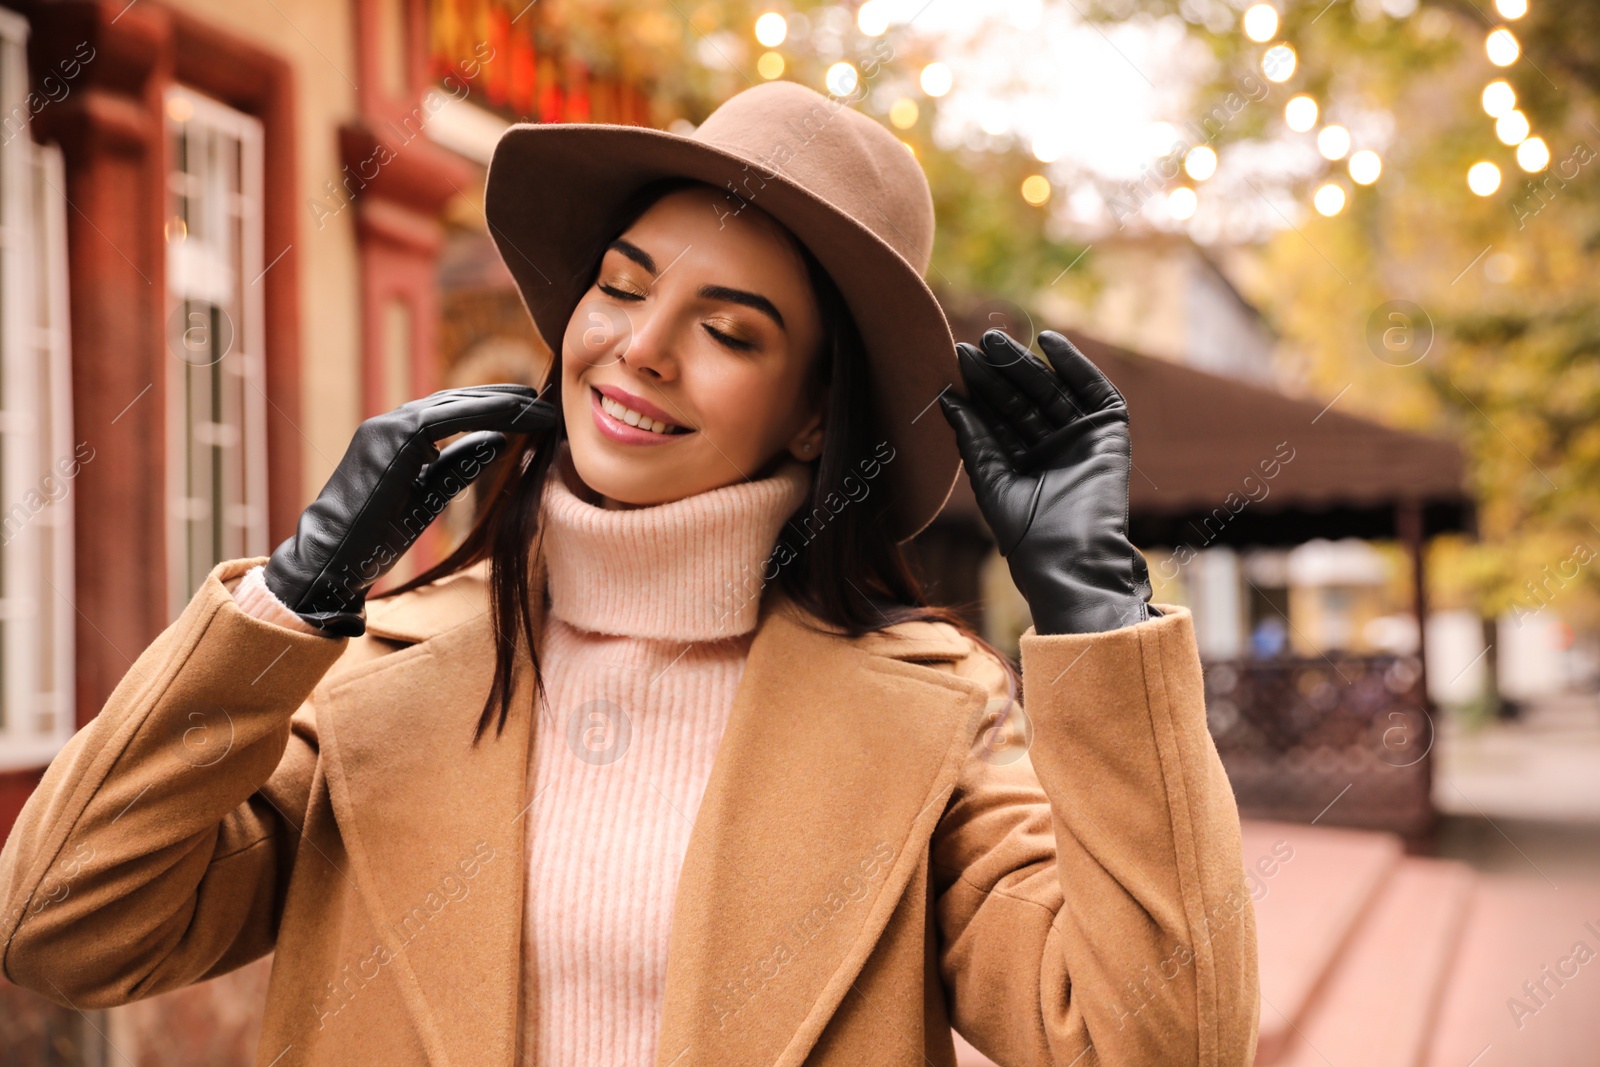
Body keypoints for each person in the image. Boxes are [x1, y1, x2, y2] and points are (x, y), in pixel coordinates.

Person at [0, 80, 1258, 1066]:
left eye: (727, 330)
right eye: (621, 286)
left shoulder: (933, 721)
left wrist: (1095, 610)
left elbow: (1161, 1038)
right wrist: (296, 594)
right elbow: (62, 925)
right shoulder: (383, 676)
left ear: (815, 416)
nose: (637, 350)